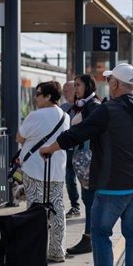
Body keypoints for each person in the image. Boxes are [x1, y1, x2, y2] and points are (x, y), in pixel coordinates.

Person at [40, 63, 133, 266]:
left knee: (100, 233)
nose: (108, 84)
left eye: (110, 81)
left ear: (116, 84)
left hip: (113, 187)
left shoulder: (107, 110)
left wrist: (49, 148)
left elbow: (76, 134)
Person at [16, 81, 70, 262]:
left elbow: (19, 137)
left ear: (48, 96)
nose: (35, 97)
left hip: (34, 169)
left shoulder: (35, 115)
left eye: (38, 93)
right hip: (56, 170)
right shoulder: (65, 116)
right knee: (57, 209)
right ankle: (56, 250)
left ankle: (35, 251)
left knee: (34, 209)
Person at [66, 74, 101, 255]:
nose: (75, 88)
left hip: (90, 159)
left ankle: (89, 238)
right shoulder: (86, 106)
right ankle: (90, 237)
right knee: (88, 199)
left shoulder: (93, 106)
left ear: (88, 85)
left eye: (78, 85)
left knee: (90, 199)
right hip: (85, 159)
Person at [60, 81, 81, 219]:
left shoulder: (83, 107)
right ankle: (75, 206)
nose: (65, 93)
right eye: (64, 91)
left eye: (67, 91)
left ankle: (90, 205)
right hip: (67, 150)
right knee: (69, 179)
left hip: (80, 149)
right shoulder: (63, 107)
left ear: (75, 90)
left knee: (86, 179)